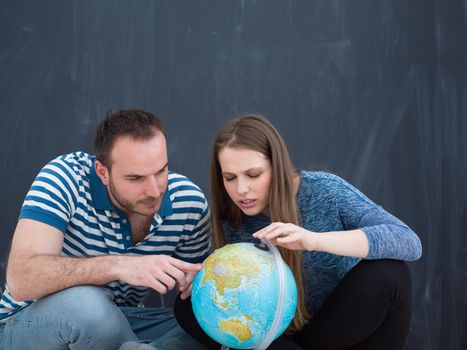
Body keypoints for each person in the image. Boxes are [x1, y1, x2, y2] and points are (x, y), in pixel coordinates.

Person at [174, 114, 422, 350]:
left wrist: (313, 240)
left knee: (391, 274)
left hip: (337, 328)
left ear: (277, 166)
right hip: (280, 341)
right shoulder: (229, 218)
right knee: (186, 306)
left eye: (254, 174)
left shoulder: (324, 191)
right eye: (229, 177)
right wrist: (198, 279)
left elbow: (407, 240)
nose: (241, 189)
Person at [0, 109, 211, 350]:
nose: (154, 191)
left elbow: (195, 295)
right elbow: (21, 279)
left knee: (207, 331)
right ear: (103, 173)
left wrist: (195, 280)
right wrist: (119, 265)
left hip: (121, 320)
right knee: (89, 308)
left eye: (161, 171)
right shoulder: (65, 178)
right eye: (136, 178)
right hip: (29, 324)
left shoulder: (189, 202)